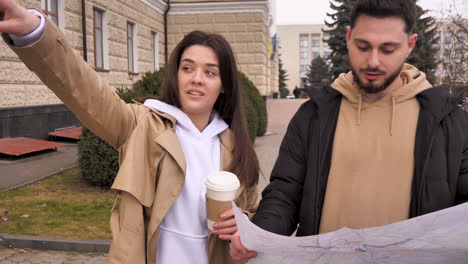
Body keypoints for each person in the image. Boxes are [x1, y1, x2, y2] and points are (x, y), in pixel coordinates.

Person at [0, 1, 259, 263]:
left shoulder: (236, 147)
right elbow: (85, 89)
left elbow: (252, 213)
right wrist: (35, 32)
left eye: (210, 72)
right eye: (187, 68)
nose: (196, 79)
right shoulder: (142, 126)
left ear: (223, 84)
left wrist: (243, 227)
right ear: (176, 75)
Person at [229, 0, 468, 262]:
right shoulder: (314, 115)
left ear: (410, 44)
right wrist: (259, 237)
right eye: (363, 46)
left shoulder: (448, 121)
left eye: (388, 49)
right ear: (348, 37)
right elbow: (285, 193)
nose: (373, 61)